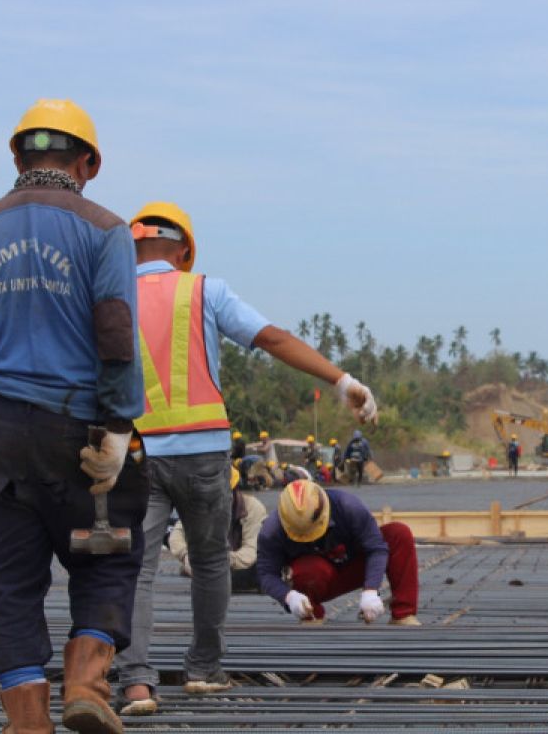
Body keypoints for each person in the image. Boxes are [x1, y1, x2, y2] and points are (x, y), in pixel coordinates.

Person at [0, 98, 147, 733]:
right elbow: (114, 332)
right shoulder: (104, 228)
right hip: (75, 426)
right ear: (87, 163)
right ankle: (85, 683)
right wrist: (117, 426)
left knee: (4, 575)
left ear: (17, 156)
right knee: (106, 554)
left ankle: (27, 719)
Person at [117, 201, 377, 716]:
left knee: (137, 571)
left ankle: (137, 685)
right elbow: (272, 338)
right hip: (205, 454)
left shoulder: (111, 296)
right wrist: (341, 381)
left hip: (139, 453)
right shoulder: (203, 290)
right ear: (185, 249)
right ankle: (204, 670)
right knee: (212, 561)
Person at [257, 480, 420, 626]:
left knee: (399, 534)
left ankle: (403, 615)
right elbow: (266, 574)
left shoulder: (347, 506)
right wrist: (289, 596)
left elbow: (376, 547)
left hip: (355, 566)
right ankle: (312, 616)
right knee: (306, 570)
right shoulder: (271, 531)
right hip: (316, 578)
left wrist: (371, 590)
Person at [169, 468, 268, 594]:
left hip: (242, 566)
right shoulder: (201, 503)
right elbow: (176, 534)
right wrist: (186, 556)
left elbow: (250, 552)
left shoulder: (253, 508)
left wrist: (219, 559)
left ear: (233, 490)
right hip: (209, 563)